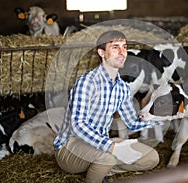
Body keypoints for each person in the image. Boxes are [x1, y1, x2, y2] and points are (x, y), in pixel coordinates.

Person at [53, 30, 163, 183]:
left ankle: (99, 169)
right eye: (115, 47)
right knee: (107, 157)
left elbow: (132, 122)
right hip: (70, 148)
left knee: (151, 158)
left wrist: (161, 119)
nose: (122, 52)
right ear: (101, 52)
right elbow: (78, 125)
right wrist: (111, 147)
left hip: (100, 145)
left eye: (124, 47)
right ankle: (98, 173)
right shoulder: (87, 82)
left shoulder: (122, 88)